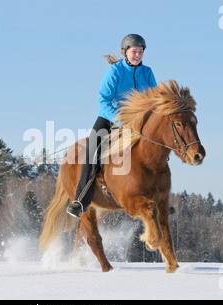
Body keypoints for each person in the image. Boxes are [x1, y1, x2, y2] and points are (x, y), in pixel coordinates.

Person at [66, 34, 157, 218]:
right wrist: (121, 120)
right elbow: (104, 100)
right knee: (93, 148)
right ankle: (80, 201)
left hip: (138, 121)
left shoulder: (147, 72)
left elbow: (154, 99)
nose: (137, 55)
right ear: (125, 52)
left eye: (140, 52)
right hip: (110, 118)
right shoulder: (115, 71)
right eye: (134, 51)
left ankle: (157, 197)